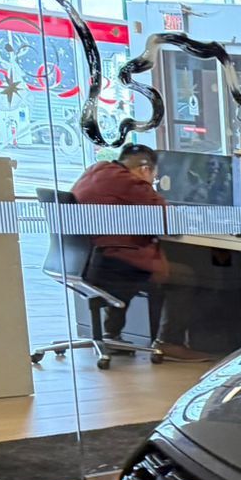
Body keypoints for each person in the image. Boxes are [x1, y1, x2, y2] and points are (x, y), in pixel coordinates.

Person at [68, 144, 207, 362]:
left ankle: (112, 334)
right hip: (112, 264)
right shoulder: (130, 183)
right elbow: (172, 223)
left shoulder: (96, 171)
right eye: (153, 177)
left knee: (128, 256)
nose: (152, 183)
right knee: (185, 277)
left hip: (83, 262)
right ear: (144, 169)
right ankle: (169, 343)